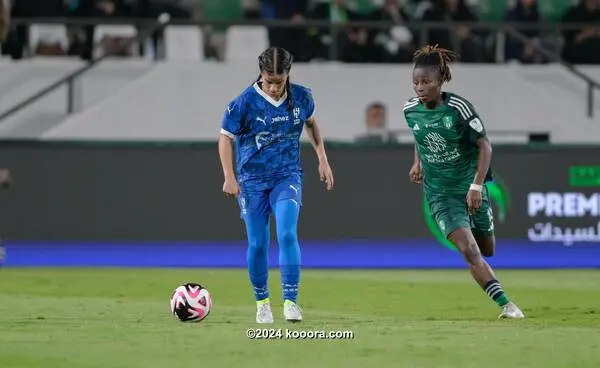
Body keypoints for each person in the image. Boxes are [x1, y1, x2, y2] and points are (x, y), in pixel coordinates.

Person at [403, 45, 524, 319]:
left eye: (426, 82)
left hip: (470, 188)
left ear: (440, 80)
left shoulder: (458, 107)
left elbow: (485, 146)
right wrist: (418, 162)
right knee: (469, 250)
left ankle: (491, 280)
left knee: (486, 249)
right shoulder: (410, 110)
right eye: (415, 82)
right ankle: (507, 305)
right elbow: (419, 136)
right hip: (440, 194)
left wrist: (476, 186)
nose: (419, 87)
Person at [218, 47, 334, 324]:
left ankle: (291, 302)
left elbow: (312, 124)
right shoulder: (243, 103)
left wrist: (322, 159)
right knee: (258, 244)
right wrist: (229, 176)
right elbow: (225, 138)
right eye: (268, 81)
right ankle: (263, 303)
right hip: (252, 181)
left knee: (287, 234)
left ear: (287, 75)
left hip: (287, 176)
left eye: (278, 81)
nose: (272, 87)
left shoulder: (302, 96)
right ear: (261, 74)